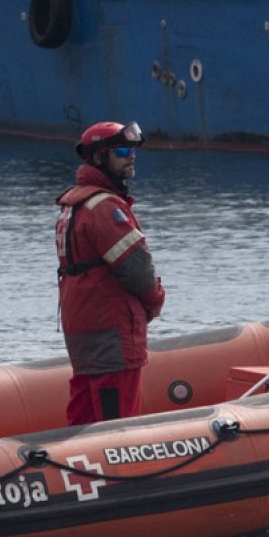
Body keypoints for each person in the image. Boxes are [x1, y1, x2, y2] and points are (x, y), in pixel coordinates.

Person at [55, 121, 165, 425]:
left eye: (132, 149)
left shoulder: (74, 204)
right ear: (99, 158)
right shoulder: (105, 208)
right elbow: (139, 272)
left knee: (84, 418)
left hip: (83, 332)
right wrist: (155, 301)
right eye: (121, 150)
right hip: (112, 333)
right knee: (118, 429)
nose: (131, 155)